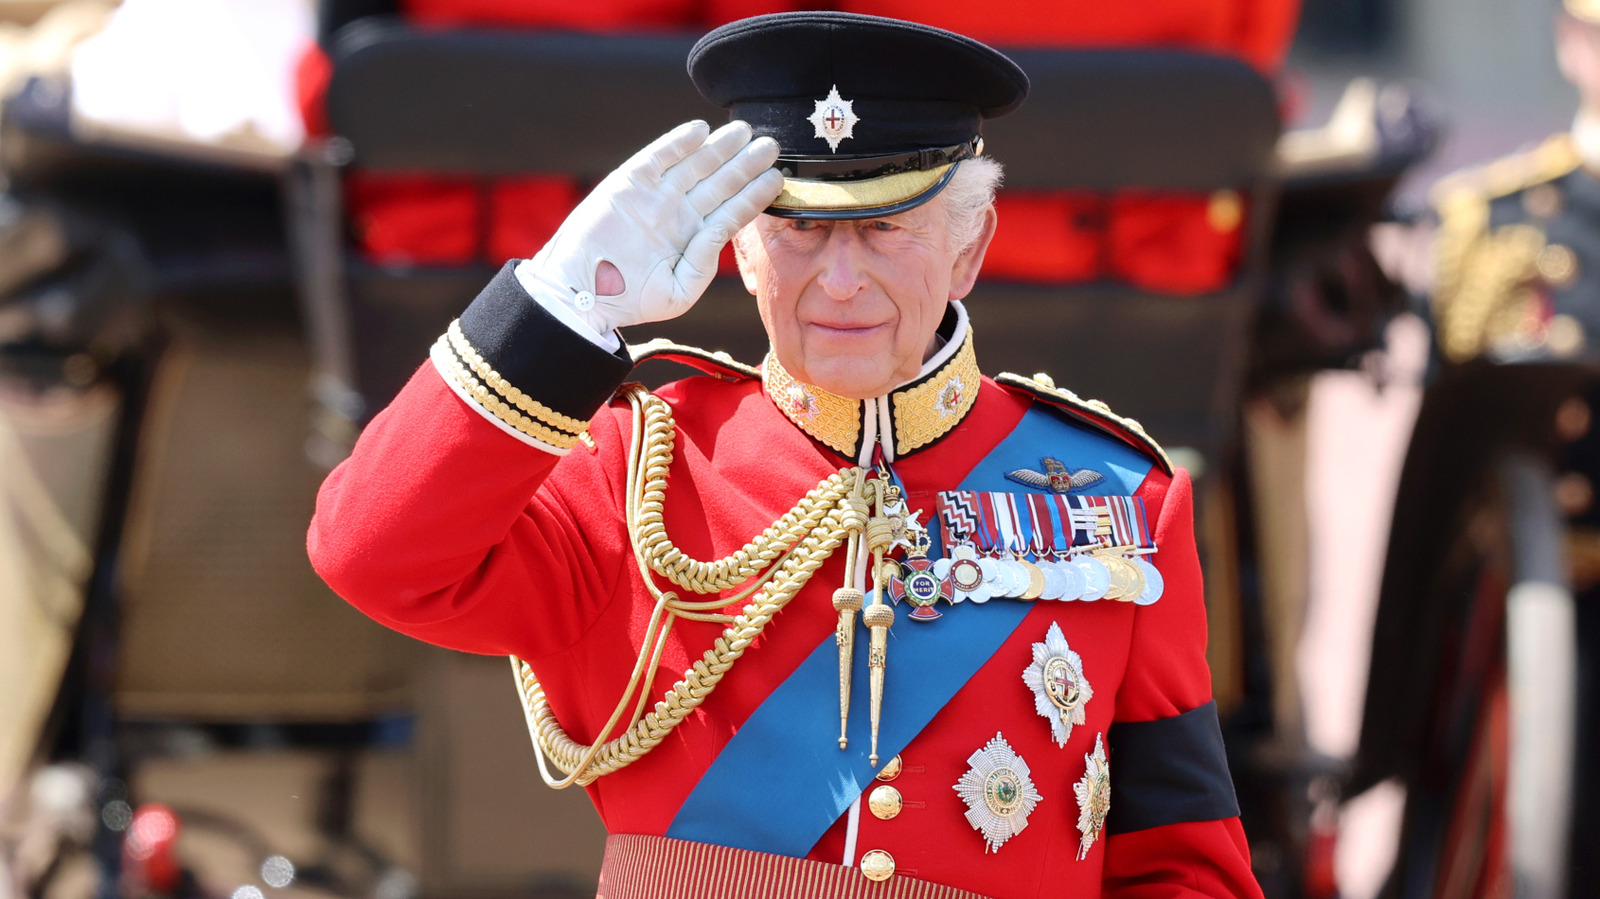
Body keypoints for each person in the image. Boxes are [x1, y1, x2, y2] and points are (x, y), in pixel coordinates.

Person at [308, 12, 1261, 898]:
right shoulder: (636, 467)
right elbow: (369, 553)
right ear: (743, 253)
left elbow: (1183, 865)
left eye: (887, 228)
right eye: (798, 230)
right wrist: (558, 306)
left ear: (970, 247)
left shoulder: (1126, 501)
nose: (839, 282)